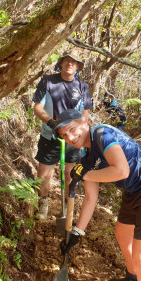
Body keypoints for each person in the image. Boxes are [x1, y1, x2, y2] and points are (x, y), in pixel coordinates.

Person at [54, 109, 141, 281]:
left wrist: (85, 175)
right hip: (135, 190)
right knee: (122, 233)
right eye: (65, 135)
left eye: (72, 129)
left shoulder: (102, 133)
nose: (71, 138)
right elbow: (91, 199)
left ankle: (140, 275)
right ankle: (133, 279)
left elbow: (121, 170)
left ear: (83, 121)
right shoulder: (87, 159)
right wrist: (77, 232)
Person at [32, 50, 92, 220]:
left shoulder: (82, 87)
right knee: (43, 174)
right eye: (66, 60)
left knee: (71, 174)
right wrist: (52, 123)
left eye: (74, 61)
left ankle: (68, 209)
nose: (69, 63)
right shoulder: (48, 82)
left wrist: (75, 133)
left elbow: (84, 115)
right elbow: (38, 108)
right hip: (50, 136)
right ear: (61, 63)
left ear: (78, 66)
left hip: (73, 140)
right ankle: (42, 205)